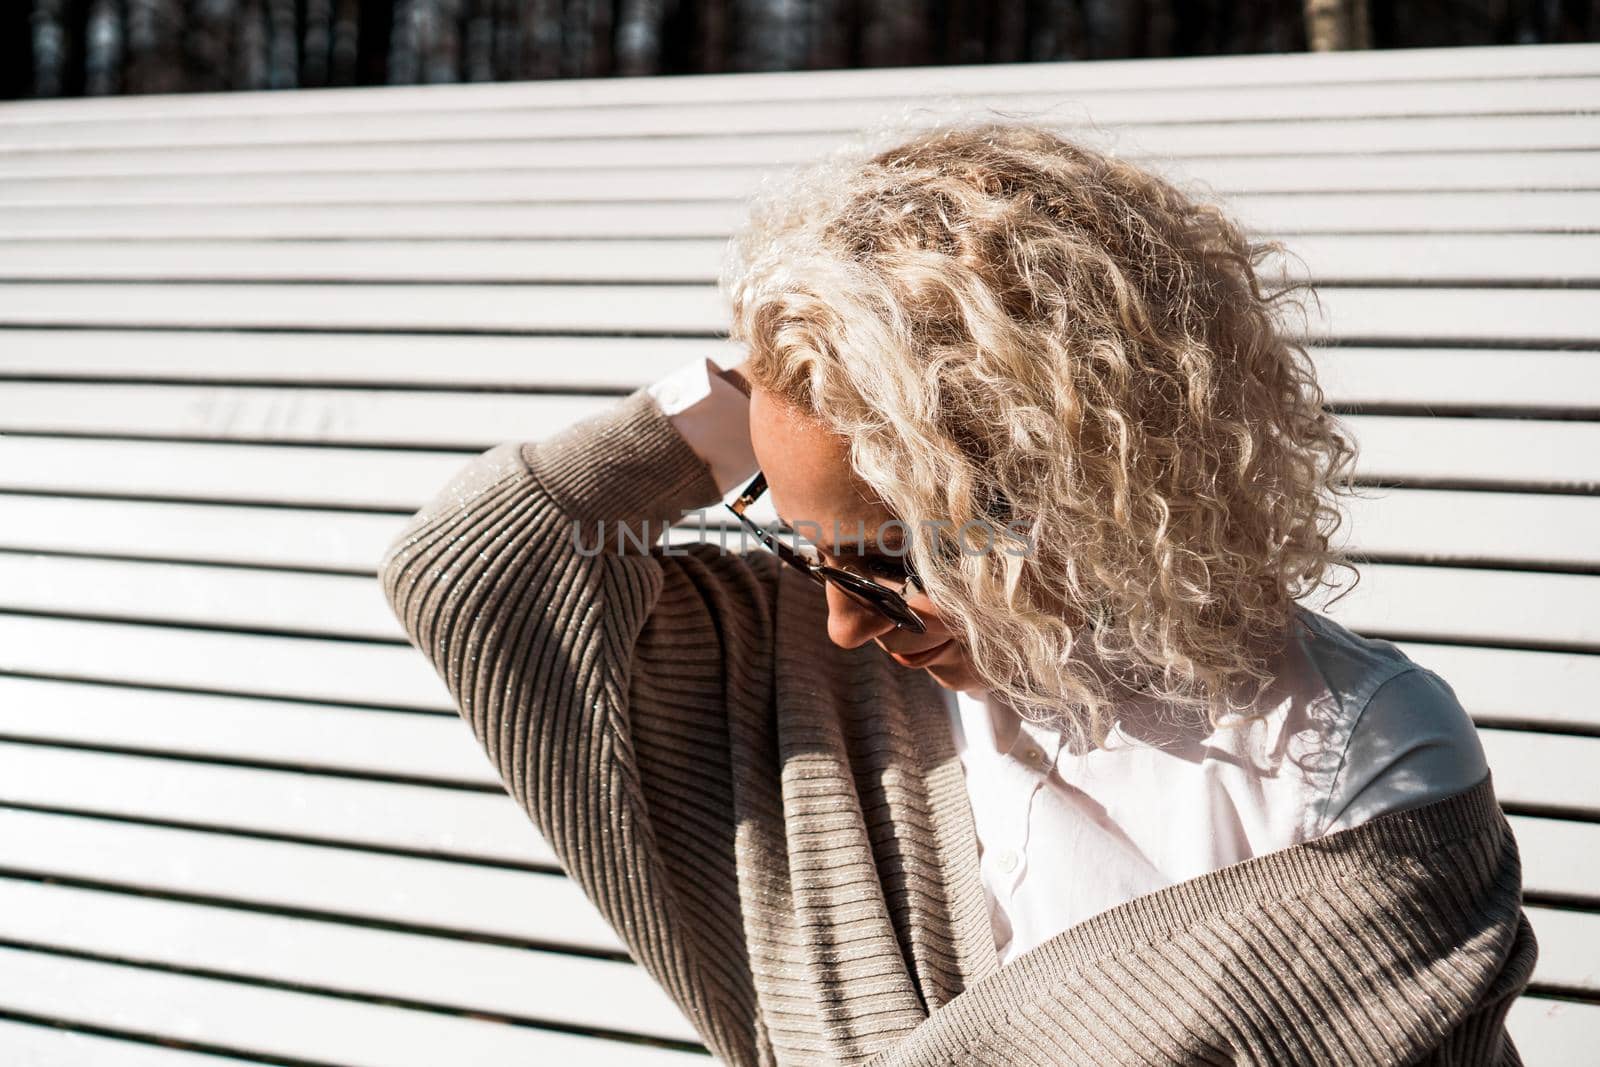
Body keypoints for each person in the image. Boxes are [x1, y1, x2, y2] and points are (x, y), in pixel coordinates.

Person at [380, 119, 1535, 1065]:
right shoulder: (814, 677)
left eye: (891, 558)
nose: (842, 619)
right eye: (802, 544)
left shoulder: (1346, 748)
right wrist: (790, 363)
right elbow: (471, 566)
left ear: (1090, 491)